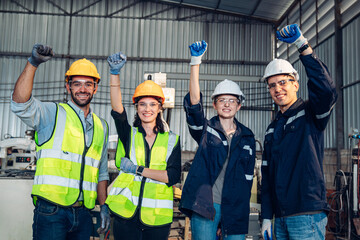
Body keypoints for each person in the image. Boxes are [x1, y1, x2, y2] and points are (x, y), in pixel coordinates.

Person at [11, 44, 111, 240]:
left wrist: (104, 205)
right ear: (68, 87)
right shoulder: (52, 113)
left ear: (95, 88)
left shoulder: (102, 126)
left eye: (88, 84)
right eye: (77, 83)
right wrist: (33, 63)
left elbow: (101, 171)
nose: (83, 89)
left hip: (84, 213)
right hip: (51, 211)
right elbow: (20, 104)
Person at [260, 24, 338, 240]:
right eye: (272, 85)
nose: (278, 89)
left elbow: (326, 89)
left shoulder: (311, 113)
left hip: (307, 214)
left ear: (296, 84)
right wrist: (267, 215)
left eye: (283, 82)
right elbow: (267, 176)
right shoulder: (272, 129)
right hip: (280, 217)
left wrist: (302, 46)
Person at [179, 40, 256, 240]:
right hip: (206, 204)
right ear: (214, 104)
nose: (227, 104)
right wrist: (195, 62)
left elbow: (248, 179)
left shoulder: (247, 137)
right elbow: (194, 104)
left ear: (239, 106)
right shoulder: (206, 130)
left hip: (236, 207)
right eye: (222, 100)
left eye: (232, 100)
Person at [105, 52, 181, 240]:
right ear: (137, 108)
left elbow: (171, 177)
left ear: (160, 108)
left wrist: (137, 169)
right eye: (142, 104)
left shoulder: (171, 140)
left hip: (157, 220)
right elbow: (117, 110)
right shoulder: (128, 134)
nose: (147, 109)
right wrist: (114, 74)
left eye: (152, 104)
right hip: (125, 215)